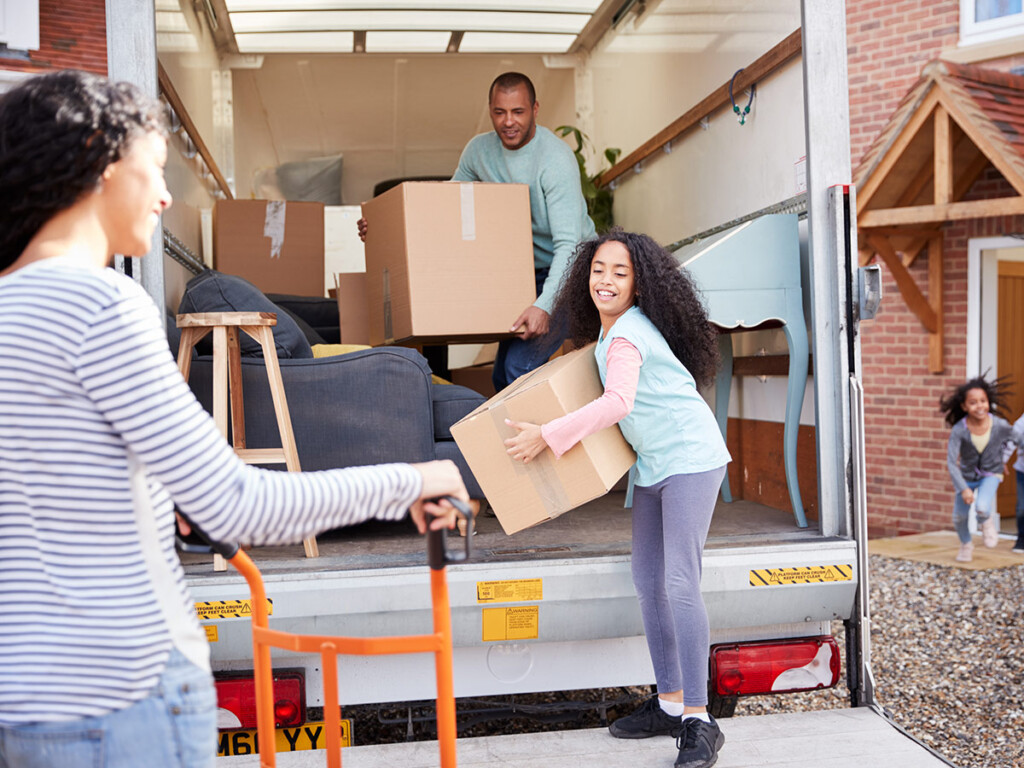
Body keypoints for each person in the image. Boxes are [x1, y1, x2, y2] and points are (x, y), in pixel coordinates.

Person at [0, 70, 467, 768]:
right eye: (154, 170)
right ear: (100, 160)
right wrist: (417, 477)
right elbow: (241, 506)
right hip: (125, 699)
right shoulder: (103, 306)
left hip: (24, 703)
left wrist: (155, 506)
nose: (163, 196)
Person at [503, 229, 731, 768]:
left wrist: (549, 434)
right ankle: (671, 702)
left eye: (620, 273)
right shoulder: (611, 335)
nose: (606, 280)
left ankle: (699, 720)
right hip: (656, 464)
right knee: (646, 579)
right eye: (599, 270)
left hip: (691, 460)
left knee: (678, 582)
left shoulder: (626, 336)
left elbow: (618, 402)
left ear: (639, 284)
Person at [359, 72, 596, 391]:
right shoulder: (478, 151)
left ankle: (536, 440)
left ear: (535, 109)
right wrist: (381, 231)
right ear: (490, 110)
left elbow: (570, 246)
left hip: (571, 272)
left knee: (518, 367)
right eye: (500, 112)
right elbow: (443, 207)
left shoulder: (555, 160)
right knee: (502, 376)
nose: (508, 122)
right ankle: (510, 441)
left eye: (518, 112)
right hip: (521, 272)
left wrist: (544, 305)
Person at [939, 376, 1015, 563]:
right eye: (973, 403)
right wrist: (964, 488)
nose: (979, 406)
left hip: (991, 474)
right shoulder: (959, 429)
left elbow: (1017, 440)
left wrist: (1002, 459)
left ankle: (986, 521)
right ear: (964, 407)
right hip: (965, 476)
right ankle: (966, 544)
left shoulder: (999, 425)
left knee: (982, 507)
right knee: (959, 517)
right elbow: (951, 461)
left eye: (983, 401)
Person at [1010, 412, 1024, 554]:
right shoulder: (1022, 422)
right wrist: (1000, 462)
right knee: (1022, 507)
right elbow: (1010, 441)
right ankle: (1021, 539)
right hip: (1022, 471)